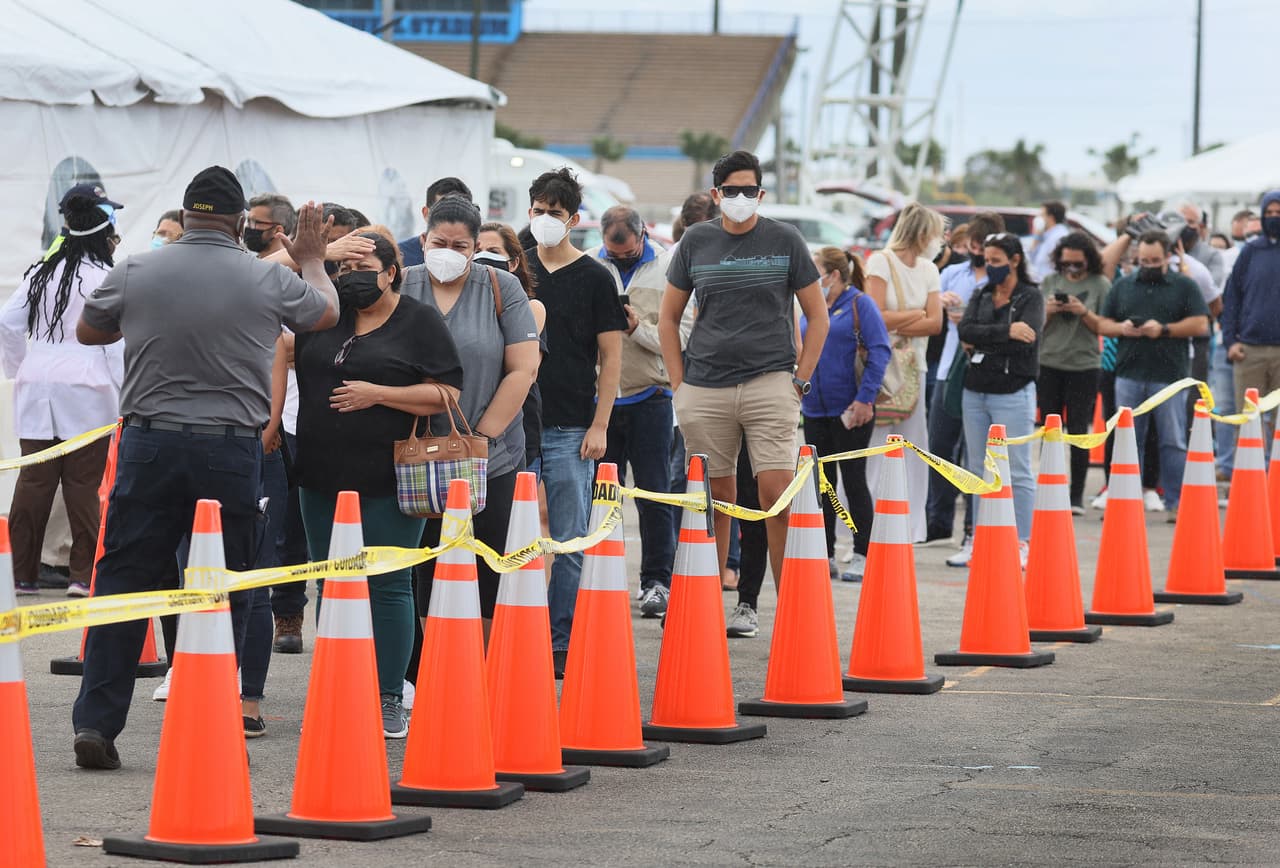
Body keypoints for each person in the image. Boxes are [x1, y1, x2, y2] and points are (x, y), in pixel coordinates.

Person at [70, 168, 339, 770]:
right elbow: (323, 314)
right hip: (230, 449)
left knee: (124, 582)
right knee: (226, 584)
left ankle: (96, 722)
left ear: (186, 218)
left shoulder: (140, 267)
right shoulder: (265, 275)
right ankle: (213, 716)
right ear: (240, 222)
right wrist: (313, 259)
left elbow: (90, 331)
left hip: (148, 444)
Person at [294, 230, 462, 738]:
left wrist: (378, 394)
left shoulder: (419, 320)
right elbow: (264, 279)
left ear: (393, 272)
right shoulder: (323, 312)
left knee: (388, 585)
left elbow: (446, 392)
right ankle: (339, 686)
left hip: (391, 476)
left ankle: (389, 695)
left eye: (364, 266)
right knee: (331, 583)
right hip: (320, 473)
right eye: (344, 268)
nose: (352, 277)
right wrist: (315, 256)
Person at [660, 149, 829, 625]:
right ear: (716, 194)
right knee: (714, 503)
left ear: (761, 193)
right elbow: (668, 319)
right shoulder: (696, 240)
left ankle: (794, 615)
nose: (739, 198)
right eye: (730, 190)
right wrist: (680, 386)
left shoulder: (785, 238)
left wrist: (800, 381)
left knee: (777, 499)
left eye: (748, 190)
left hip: (771, 382)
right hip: (704, 387)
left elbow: (819, 317)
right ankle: (699, 615)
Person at [402, 196, 539, 639]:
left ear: (475, 245)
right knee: (423, 562)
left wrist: (478, 440)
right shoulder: (402, 284)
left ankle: (481, 665)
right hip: (415, 455)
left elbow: (523, 369)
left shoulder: (501, 287)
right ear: (423, 240)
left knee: (489, 561)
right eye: (439, 242)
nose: (448, 252)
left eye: (460, 246)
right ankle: (427, 670)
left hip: (489, 456)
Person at [526, 168, 626, 675]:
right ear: (529, 213)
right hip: (516, 427)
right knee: (512, 538)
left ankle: (558, 639)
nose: (546, 220)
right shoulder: (513, 271)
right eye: (539, 211)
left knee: (568, 540)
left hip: (570, 427)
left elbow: (611, 357)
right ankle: (515, 630)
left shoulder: (594, 277)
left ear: (574, 220)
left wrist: (600, 425)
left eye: (556, 213)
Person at [0, 186, 123, 597]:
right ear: (104, 231)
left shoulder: (42, 270)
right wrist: (125, 394)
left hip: (38, 380)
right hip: (88, 384)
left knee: (34, 482)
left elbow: (6, 323)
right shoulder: (106, 277)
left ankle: (21, 575)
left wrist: (22, 367)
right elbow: (116, 342)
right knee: (83, 484)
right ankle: (80, 576)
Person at [588, 205, 692, 618]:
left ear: (643, 235)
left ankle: (656, 582)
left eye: (628, 254)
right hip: (601, 403)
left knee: (655, 496)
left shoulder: (670, 269)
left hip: (651, 395)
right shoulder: (592, 265)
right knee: (601, 497)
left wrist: (637, 329)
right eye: (614, 254)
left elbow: (682, 335)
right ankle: (601, 578)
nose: (620, 259)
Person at [1095, 231, 1210, 517]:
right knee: (1127, 439)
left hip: (1169, 376)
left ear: (1167, 257)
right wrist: (1123, 328)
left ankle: (1178, 502)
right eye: (1144, 260)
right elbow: (1102, 323)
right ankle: (1124, 500)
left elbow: (1200, 324)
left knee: (1172, 440)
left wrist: (1164, 329)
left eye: (1155, 260)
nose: (1149, 265)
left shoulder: (1184, 285)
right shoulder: (1123, 285)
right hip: (1128, 373)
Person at [802, 247, 890, 582]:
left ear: (834, 275)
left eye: (817, 272)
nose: (812, 280)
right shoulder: (812, 305)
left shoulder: (859, 304)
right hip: (815, 409)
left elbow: (880, 351)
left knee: (854, 482)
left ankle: (862, 551)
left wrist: (865, 400)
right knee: (822, 485)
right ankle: (825, 552)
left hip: (851, 408)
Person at [957, 232, 1044, 566]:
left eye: (995, 261)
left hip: (1013, 390)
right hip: (975, 389)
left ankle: (1022, 539)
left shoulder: (1031, 297)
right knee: (978, 469)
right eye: (986, 260)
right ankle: (982, 536)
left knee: (1017, 469)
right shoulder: (982, 293)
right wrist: (1005, 331)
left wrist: (986, 338)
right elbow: (966, 330)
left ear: (1015, 260)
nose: (989, 266)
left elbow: (1027, 339)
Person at [863, 202, 944, 544]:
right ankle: (867, 521)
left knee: (913, 445)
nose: (939, 242)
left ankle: (910, 526)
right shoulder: (881, 261)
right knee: (874, 445)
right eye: (937, 234)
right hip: (881, 368)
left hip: (914, 368)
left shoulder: (929, 269)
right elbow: (874, 316)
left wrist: (902, 318)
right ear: (923, 233)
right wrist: (917, 314)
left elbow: (936, 323)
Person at [926, 212, 1004, 554]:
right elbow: (929, 310)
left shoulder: (1002, 281)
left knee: (978, 455)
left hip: (984, 372)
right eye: (971, 244)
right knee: (939, 447)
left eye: (982, 245)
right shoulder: (951, 273)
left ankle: (974, 530)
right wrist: (940, 304)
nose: (975, 250)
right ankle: (938, 523)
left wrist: (969, 320)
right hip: (947, 369)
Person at [1038, 231, 1109, 514]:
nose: (1071, 269)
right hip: (1049, 362)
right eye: (1066, 263)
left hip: (1084, 365)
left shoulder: (1101, 284)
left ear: (1088, 261)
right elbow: (1035, 325)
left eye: (1077, 264)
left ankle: (1076, 495)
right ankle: (1048, 489)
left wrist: (1083, 311)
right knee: (1049, 430)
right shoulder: (1049, 281)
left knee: (1079, 430)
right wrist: (1049, 311)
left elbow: (1106, 325)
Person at [478, 221, 546, 472]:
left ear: (514, 262)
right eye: (476, 250)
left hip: (511, 436)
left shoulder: (530, 309)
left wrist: (482, 436)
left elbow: (524, 371)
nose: (482, 258)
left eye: (494, 252)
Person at [1222, 190, 1280, 445]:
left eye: (1279, 213)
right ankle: (1248, 483)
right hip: (1250, 352)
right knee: (1248, 425)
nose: (1274, 217)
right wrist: (1230, 342)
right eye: (1269, 213)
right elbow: (1231, 298)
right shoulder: (1251, 252)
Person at [397, 176, 474, 268]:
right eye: (442, 212)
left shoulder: (478, 256)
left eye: (460, 213)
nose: (451, 220)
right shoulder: (398, 254)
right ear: (426, 213)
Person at [1177, 201, 1226, 287]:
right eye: (1181, 221)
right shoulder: (1165, 252)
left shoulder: (1212, 255)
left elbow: (1211, 288)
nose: (1185, 226)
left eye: (1190, 222)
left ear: (1200, 225)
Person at [245, 194, 296, 258]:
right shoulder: (252, 262)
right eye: (248, 221)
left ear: (278, 230)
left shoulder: (292, 266)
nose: (247, 227)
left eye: (254, 222)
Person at [1030, 200, 1070, 281]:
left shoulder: (1060, 236)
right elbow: (1033, 260)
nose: (1038, 218)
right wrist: (1036, 237)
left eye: (1042, 215)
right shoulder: (1045, 236)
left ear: (1050, 218)